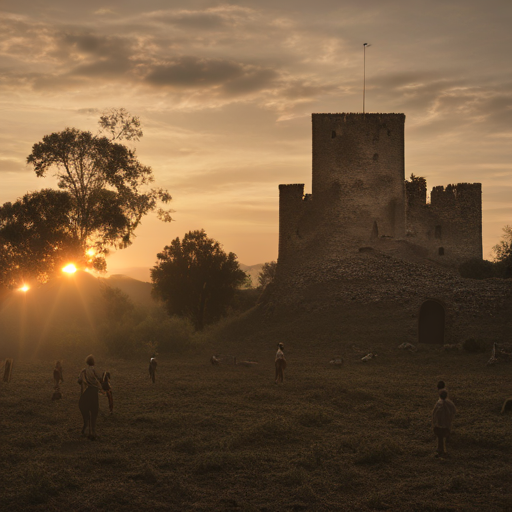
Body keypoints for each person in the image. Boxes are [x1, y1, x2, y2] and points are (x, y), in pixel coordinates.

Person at [78, 354, 103, 440]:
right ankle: (93, 432)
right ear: (93, 362)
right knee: (94, 413)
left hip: (86, 393)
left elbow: (79, 381)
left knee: (86, 413)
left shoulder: (83, 371)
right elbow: (100, 378)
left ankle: (86, 430)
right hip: (93, 392)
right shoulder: (94, 370)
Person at [432, 389, 456, 457]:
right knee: (444, 437)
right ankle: (443, 451)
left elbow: (434, 413)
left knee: (440, 438)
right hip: (447, 424)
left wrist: (434, 422)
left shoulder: (438, 403)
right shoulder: (449, 403)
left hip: (439, 424)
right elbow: (454, 410)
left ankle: (440, 450)